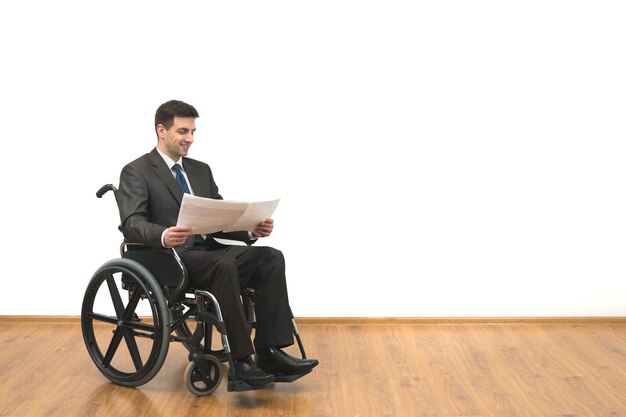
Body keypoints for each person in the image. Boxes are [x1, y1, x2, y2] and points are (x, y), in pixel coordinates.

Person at [117, 99, 318, 390]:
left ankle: (270, 353)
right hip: (168, 258)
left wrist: (252, 228)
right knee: (222, 263)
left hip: (207, 253)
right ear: (161, 130)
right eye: (183, 131)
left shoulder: (200, 170)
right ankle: (241, 363)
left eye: (193, 132)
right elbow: (132, 223)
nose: (190, 139)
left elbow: (221, 218)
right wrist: (163, 234)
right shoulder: (137, 171)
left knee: (270, 257)